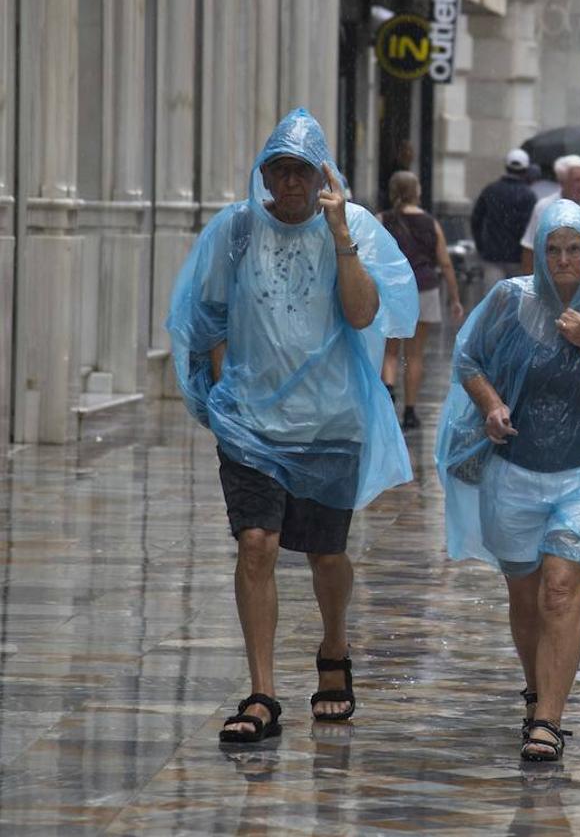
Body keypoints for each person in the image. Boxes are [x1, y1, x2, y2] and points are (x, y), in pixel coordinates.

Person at [166, 109, 419, 742]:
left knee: (326, 555)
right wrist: (222, 392)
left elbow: (366, 315)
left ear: (323, 174)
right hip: (251, 423)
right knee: (257, 544)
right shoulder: (237, 231)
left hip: (330, 423)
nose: (291, 181)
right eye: (278, 169)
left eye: (303, 169)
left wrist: (339, 234)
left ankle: (334, 648)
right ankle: (262, 692)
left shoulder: (353, 226)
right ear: (264, 175)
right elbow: (205, 317)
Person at [436, 199, 580, 762]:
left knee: (560, 588)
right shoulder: (511, 301)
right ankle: (538, 688)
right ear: (539, 253)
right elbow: (469, 359)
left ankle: (548, 720)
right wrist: (490, 406)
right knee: (526, 595)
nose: (564, 260)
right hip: (514, 470)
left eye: (575, 249)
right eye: (554, 249)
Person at [378, 171, 465, 429]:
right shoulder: (430, 223)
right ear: (417, 191)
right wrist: (455, 297)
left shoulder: (383, 219)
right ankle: (410, 411)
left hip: (393, 288)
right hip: (424, 288)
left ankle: (389, 388)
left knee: (391, 349)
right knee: (415, 354)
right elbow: (445, 262)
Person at [471, 148, 538, 292]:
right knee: (516, 304)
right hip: (517, 259)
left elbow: (476, 220)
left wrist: (481, 247)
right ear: (526, 169)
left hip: (492, 257)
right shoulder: (529, 195)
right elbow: (531, 228)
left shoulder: (491, 190)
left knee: (494, 303)